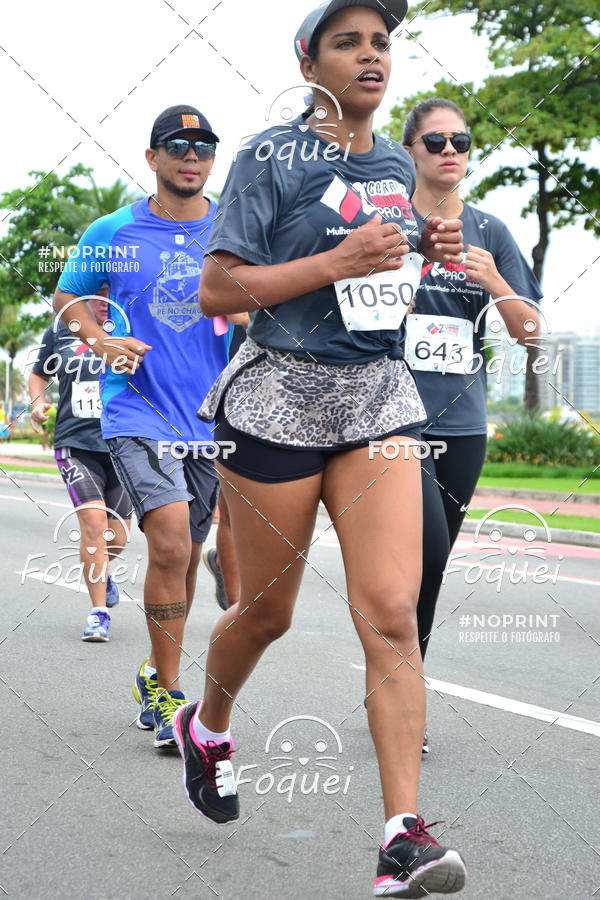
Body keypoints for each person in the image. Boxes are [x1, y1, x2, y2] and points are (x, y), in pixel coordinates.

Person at [172, 4, 467, 897]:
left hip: (376, 396)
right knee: (266, 614)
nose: (371, 55)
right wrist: (339, 261)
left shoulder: (393, 163)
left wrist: (424, 248)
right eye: (349, 42)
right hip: (279, 397)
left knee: (389, 611)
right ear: (309, 61)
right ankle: (207, 722)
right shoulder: (270, 154)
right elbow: (216, 289)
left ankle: (402, 839)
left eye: (381, 42)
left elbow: (383, 276)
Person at [53, 105, 234, 749]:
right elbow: (67, 298)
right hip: (137, 409)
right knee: (170, 545)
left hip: (212, 418)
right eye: (177, 146)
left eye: (204, 146)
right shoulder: (114, 229)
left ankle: (158, 672)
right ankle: (170, 694)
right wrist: (100, 341)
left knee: (183, 552)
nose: (192, 156)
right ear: (153, 157)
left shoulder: (231, 226)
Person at [402, 99, 542, 749]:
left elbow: (531, 331)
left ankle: (396, 680)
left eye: (461, 139)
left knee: (431, 568)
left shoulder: (491, 231)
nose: (450, 149)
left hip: (462, 425)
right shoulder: (386, 223)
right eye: (436, 140)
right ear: (411, 151)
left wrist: (495, 283)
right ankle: (405, 694)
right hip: (391, 419)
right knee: (420, 553)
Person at [29, 289, 132, 641]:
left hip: (123, 442)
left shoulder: (132, 322)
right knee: (92, 522)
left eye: (109, 291)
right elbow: (39, 373)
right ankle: (98, 614)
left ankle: (103, 572)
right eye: (97, 291)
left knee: (117, 537)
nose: (103, 298)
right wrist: (38, 402)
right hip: (75, 442)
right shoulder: (63, 327)